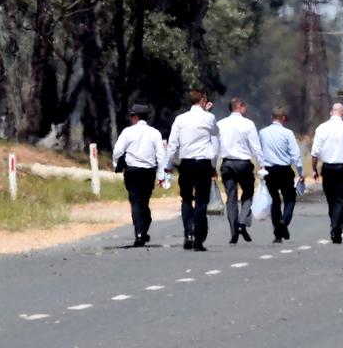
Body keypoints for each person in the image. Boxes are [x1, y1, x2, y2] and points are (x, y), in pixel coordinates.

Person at [164, 89, 219, 252]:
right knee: (202, 200)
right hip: (203, 163)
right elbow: (215, 140)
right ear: (203, 100)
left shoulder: (180, 119)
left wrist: (167, 166)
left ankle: (188, 233)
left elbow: (172, 145)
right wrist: (213, 165)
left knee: (187, 198)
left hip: (186, 164)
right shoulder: (209, 118)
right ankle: (198, 236)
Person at [112, 104, 165, 247]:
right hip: (148, 172)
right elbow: (161, 156)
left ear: (135, 117)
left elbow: (117, 151)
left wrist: (116, 165)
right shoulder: (155, 133)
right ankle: (144, 227)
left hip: (132, 171)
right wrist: (161, 176)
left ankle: (139, 233)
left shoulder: (127, 132)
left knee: (135, 202)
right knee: (144, 201)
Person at [216, 98, 265, 244]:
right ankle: (242, 221)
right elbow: (256, 147)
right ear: (241, 107)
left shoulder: (221, 124)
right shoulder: (248, 124)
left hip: (227, 164)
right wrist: (262, 164)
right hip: (243, 164)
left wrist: (213, 166)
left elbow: (215, 147)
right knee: (248, 192)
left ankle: (233, 231)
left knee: (230, 197)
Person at [311, 103, 343, 244]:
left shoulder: (321, 128)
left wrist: (314, 169)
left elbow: (314, 152)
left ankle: (335, 223)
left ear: (331, 112)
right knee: (341, 199)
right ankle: (336, 226)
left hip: (327, 169)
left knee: (331, 199)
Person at [259, 106, 304, 243]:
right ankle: (284, 221)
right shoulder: (288, 133)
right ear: (283, 118)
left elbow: (259, 150)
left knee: (274, 200)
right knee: (290, 198)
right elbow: (295, 155)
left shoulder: (263, 132)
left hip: (269, 170)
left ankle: (277, 233)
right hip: (285, 170)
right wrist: (300, 172)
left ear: (272, 118)